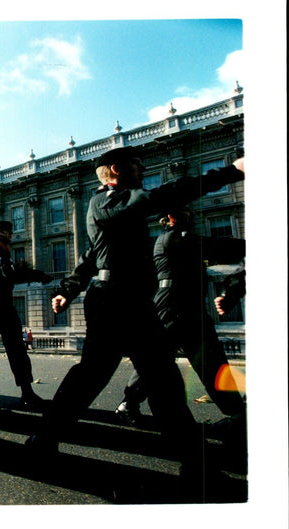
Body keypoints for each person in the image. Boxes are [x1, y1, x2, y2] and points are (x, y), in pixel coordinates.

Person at [27, 147, 244, 498]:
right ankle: (43, 438)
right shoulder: (105, 201)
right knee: (91, 378)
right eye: (137, 165)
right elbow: (154, 200)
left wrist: (68, 289)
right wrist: (229, 172)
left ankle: (197, 465)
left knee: (165, 382)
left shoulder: (118, 212)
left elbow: (90, 254)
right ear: (116, 169)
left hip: (135, 303)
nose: (142, 169)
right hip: (113, 303)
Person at [114, 206, 246, 430]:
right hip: (171, 306)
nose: (190, 213)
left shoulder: (187, 241)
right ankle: (129, 403)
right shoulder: (170, 239)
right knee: (160, 360)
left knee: (209, 361)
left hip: (190, 306)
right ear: (170, 218)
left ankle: (236, 413)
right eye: (183, 211)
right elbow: (215, 246)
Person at [0, 220, 53, 409]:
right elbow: (8, 273)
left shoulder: (6, 253)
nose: (4, 235)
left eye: (6, 232)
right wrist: (37, 274)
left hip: (6, 307)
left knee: (18, 351)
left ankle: (27, 392)